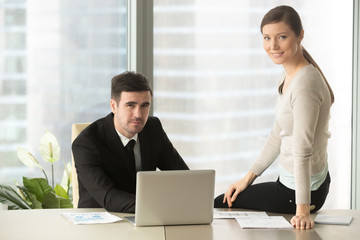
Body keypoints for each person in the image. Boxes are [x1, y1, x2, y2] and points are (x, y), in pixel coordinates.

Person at [214, 5, 334, 230]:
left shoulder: (305, 84)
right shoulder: (289, 75)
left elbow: (302, 149)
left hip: (300, 193)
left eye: (282, 37)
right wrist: (247, 179)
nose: (273, 46)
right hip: (293, 185)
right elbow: (278, 135)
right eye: (267, 38)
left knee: (220, 204)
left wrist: (302, 212)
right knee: (228, 198)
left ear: (300, 35)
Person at [72, 71, 189, 213]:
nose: (138, 114)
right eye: (131, 105)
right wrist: (160, 206)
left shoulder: (153, 128)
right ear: (114, 106)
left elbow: (183, 177)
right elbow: (109, 197)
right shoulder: (86, 143)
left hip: (144, 220)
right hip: (101, 224)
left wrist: (216, 200)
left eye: (145, 105)